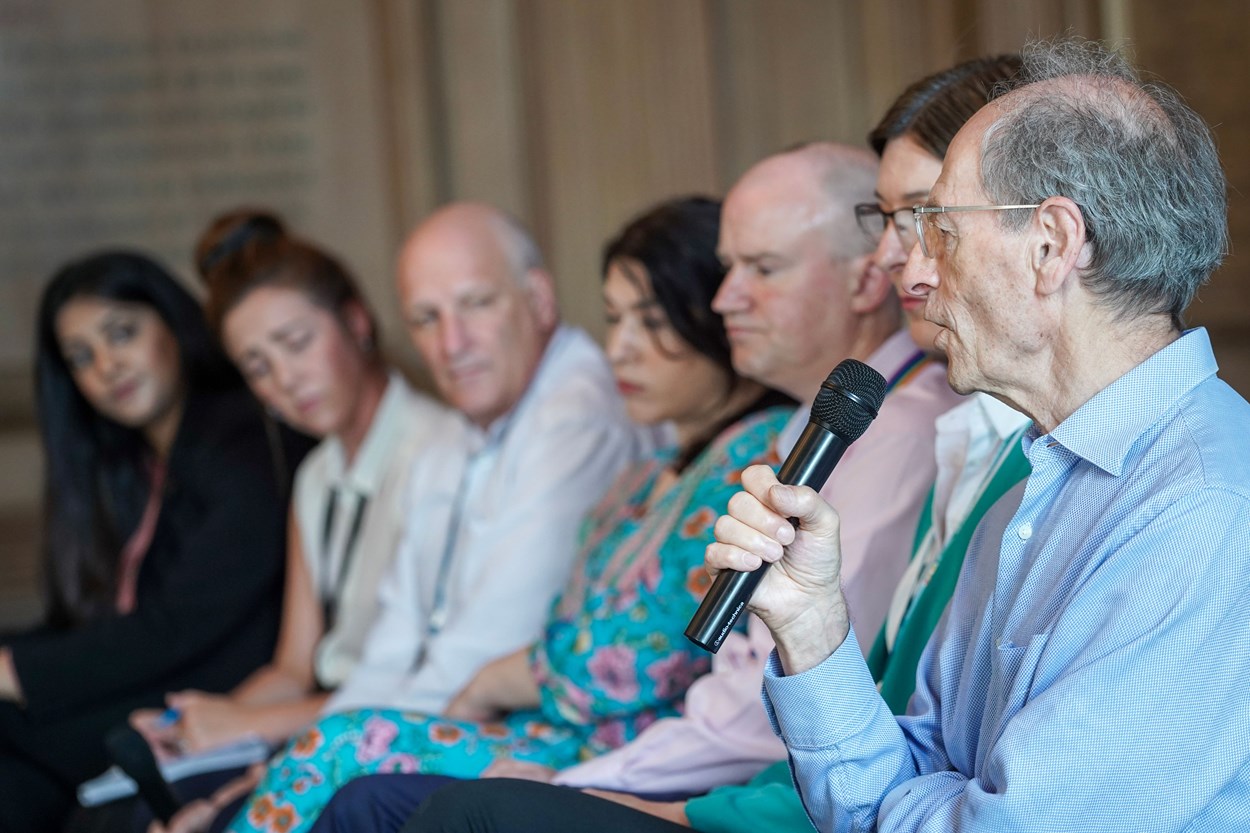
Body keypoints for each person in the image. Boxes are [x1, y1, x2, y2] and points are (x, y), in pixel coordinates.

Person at [396, 55, 1033, 833]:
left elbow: (968, 774)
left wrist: (610, 787)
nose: (891, 256)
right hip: (789, 790)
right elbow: (903, 730)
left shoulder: (947, 429)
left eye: (926, 217)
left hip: (778, 795)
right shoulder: (952, 427)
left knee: (447, 804)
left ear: (1047, 234)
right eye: (893, 222)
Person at [707, 38, 1249, 832]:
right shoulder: (1029, 485)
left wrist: (951, 796)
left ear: (1052, 246)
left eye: (941, 231)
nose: (915, 275)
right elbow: (912, 772)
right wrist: (814, 626)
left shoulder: (1205, 512)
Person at [214, 196, 794, 833]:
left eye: (651, 321)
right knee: (337, 765)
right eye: (613, 319)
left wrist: (504, 679)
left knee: (341, 757)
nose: (620, 350)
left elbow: (626, 656)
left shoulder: (747, 454)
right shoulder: (647, 470)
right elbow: (422, 634)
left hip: (636, 749)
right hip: (548, 725)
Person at [118, 212, 457, 822]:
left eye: (296, 343)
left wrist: (246, 724)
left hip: (391, 732)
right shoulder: (316, 475)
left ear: (357, 321)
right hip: (316, 724)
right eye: (256, 367)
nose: (283, 380)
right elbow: (294, 665)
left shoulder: (440, 452)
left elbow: (422, 684)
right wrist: (194, 724)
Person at [0, 251, 301, 831]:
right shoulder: (134, 466)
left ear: (173, 324)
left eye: (122, 333)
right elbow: (93, 621)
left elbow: (180, 623)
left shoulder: (242, 442)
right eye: (81, 357)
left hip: (217, 695)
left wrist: (16, 671)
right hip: (150, 690)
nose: (107, 366)